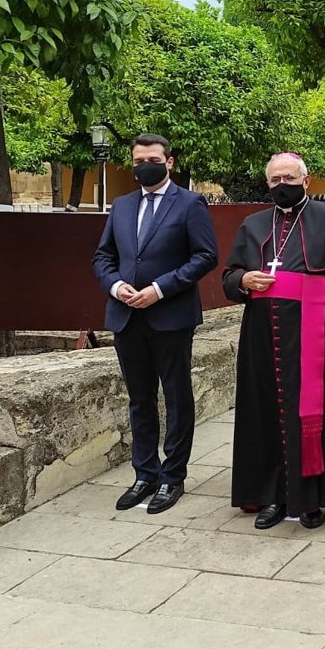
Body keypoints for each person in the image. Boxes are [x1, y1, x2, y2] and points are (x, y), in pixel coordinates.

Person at [221, 153, 325, 530]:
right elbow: (229, 276)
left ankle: (311, 497)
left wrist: (318, 291)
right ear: (267, 183)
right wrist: (243, 281)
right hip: (261, 332)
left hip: (311, 326)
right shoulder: (253, 224)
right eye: (275, 179)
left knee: (313, 407)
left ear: (306, 181)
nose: (282, 185)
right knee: (265, 408)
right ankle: (271, 494)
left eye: (289, 178)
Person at [93, 133, 219, 515]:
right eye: (138, 161)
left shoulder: (190, 203)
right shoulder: (122, 205)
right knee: (139, 398)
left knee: (177, 397)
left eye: (152, 159)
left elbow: (205, 256)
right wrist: (116, 286)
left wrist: (159, 289)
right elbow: (103, 257)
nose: (144, 166)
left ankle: (172, 476)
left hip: (170, 316)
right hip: (127, 316)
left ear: (169, 162)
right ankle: (144, 473)